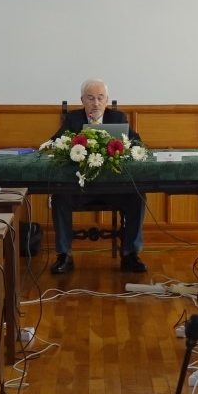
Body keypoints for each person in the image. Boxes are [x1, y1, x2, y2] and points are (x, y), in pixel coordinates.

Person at [50, 79, 145, 275]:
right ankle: (64, 255)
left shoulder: (118, 118)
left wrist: (129, 147)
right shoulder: (73, 120)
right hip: (80, 188)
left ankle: (130, 255)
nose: (96, 103)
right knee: (59, 197)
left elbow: (137, 142)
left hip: (114, 189)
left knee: (138, 196)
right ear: (82, 100)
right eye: (91, 98)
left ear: (107, 100)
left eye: (100, 98)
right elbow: (54, 142)